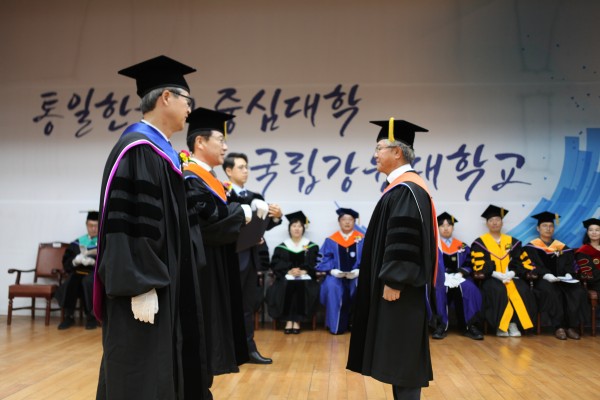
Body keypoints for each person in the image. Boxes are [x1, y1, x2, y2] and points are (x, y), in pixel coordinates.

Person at [93, 56, 209, 400]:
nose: (190, 109)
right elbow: (130, 223)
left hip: (166, 284)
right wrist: (140, 284)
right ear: (166, 98)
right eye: (187, 100)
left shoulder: (162, 152)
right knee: (141, 371)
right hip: (145, 288)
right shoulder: (138, 150)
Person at [347, 118, 437, 400]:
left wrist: (395, 279)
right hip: (399, 286)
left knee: (403, 355)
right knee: (399, 352)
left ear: (397, 152)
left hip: (400, 289)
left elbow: (404, 241)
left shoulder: (407, 190)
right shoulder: (402, 188)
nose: (375, 154)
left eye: (379, 148)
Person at [184, 108, 256, 379]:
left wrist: (245, 225)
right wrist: (243, 214)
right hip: (203, 266)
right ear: (200, 142)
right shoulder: (190, 178)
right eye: (221, 140)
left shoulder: (211, 179)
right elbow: (209, 220)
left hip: (217, 262)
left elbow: (221, 216)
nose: (226, 146)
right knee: (205, 332)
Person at [222, 151, 283, 364]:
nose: (246, 171)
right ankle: (228, 351)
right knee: (228, 306)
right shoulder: (222, 193)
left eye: (247, 167)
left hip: (251, 258)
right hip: (230, 257)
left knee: (247, 307)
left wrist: (277, 216)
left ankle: (248, 349)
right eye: (241, 167)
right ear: (229, 170)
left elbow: (263, 224)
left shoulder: (255, 196)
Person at [470, 205, 537, 337]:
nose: (494, 222)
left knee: (522, 289)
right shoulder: (480, 243)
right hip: (491, 278)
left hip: (511, 277)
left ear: (502, 222)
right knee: (498, 290)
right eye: (491, 220)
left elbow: (520, 261)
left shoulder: (512, 242)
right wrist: (495, 274)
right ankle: (501, 325)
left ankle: (514, 324)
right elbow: (478, 265)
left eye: (497, 219)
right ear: (487, 224)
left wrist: (512, 273)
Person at [525, 211, 588, 340]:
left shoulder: (561, 247)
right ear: (538, 228)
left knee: (577, 291)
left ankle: (571, 326)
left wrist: (569, 274)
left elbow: (570, 264)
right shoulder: (531, 247)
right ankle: (558, 327)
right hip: (543, 280)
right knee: (552, 291)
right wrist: (545, 274)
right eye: (544, 226)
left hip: (562, 279)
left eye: (551, 226)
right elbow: (530, 265)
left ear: (554, 228)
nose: (548, 229)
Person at [266, 211, 320, 334]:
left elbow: (316, 263)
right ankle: (288, 320)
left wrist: (305, 270)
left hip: (306, 279)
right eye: (294, 226)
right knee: (286, 286)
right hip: (286, 278)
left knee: (301, 286)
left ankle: (297, 321)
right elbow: (275, 264)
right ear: (289, 229)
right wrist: (288, 270)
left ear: (303, 229)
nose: (296, 229)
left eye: (299, 226)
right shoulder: (281, 247)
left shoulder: (311, 247)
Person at [431, 212, 483, 340]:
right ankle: (441, 325)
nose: (446, 228)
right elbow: (430, 264)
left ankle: (470, 326)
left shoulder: (462, 246)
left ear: (453, 227)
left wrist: (460, 274)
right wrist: (442, 275)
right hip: (441, 277)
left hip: (459, 277)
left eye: (449, 225)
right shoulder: (433, 245)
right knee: (439, 290)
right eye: (442, 225)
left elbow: (469, 263)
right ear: (437, 228)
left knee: (470, 289)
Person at [315, 207, 364, 335]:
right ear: (339, 222)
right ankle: (336, 326)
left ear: (354, 222)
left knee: (360, 286)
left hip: (356, 276)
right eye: (344, 219)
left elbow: (369, 259)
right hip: (335, 276)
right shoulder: (331, 240)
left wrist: (359, 270)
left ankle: (356, 325)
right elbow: (322, 260)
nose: (347, 222)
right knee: (332, 287)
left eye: (350, 219)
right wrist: (332, 271)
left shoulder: (362, 239)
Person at [57, 211, 99, 330]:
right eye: (91, 225)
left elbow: (108, 261)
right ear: (86, 225)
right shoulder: (78, 242)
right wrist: (75, 261)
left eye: (96, 226)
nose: (93, 229)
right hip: (78, 271)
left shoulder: (104, 242)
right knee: (72, 281)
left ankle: (91, 317)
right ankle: (69, 316)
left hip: (94, 274)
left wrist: (94, 263)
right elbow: (66, 262)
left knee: (87, 281)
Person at [575, 218, 600, 291]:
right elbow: (587, 275)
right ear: (587, 232)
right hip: (595, 283)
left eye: (597, 230)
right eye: (591, 230)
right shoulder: (583, 251)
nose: (594, 232)